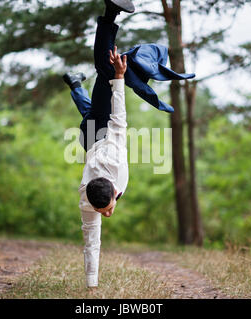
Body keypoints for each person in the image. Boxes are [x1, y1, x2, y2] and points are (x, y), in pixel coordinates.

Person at [63, 0, 195, 288]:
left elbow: (118, 117)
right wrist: (91, 285)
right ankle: (75, 84)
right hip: (89, 139)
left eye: (106, 209)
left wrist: (120, 80)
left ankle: (110, 11)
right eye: (106, 210)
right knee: (89, 110)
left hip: (101, 132)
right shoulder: (91, 198)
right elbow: (93, 234)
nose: (108, 213)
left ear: (111, 190)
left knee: (107, 69)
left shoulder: (115, 160)